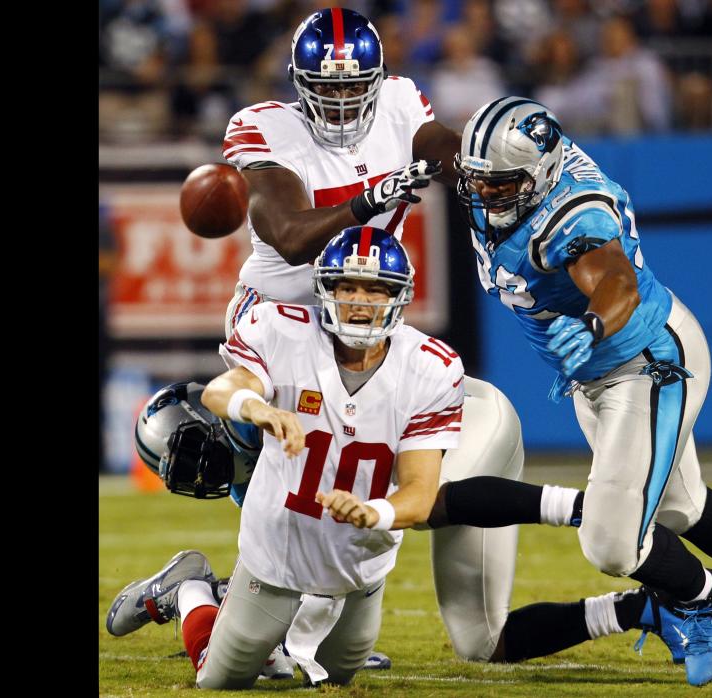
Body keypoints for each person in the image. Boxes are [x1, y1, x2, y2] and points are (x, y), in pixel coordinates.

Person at [216, 6, 524, 664]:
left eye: (354, 86)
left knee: (369, 462)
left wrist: (477, 161)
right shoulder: (263, 127)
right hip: (283, 320)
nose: (341, 101)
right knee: (288, 470)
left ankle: (304, 618)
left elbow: (440, 146)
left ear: (378, 79)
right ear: (299, 84)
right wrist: (381, 190)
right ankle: (227, 598)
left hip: (357, 320)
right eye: (324, 88)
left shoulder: (399, 100)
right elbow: (293, 236)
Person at [438, 96, 712, 687]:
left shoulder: (572, 213)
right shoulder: (501, 170)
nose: (487, 197)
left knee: (611, 544)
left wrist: (594, 324)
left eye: (503, 186)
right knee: (682, 508)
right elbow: (438, 147)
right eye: (480, 183)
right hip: (596, 373)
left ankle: (704, 599)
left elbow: (617, 281)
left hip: (644, 362)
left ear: (541, 174)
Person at [108, 227, 465, 688]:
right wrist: (257, 407)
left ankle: (278, 630)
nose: (361, 301)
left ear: (399, 296)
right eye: (347, 286)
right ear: (324, 290)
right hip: (276, 549)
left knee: (338, 676)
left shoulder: (431, 368)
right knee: (219, 679)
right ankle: (191, 590)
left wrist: (372, 511)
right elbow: (221, 390)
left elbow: (419, 494)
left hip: (359, 565)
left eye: (377, 288)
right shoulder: (283, 330)